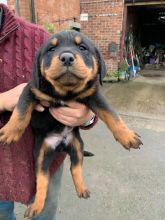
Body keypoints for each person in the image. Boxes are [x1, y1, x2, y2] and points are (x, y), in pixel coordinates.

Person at [0, 3, 97, 220]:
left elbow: (86, 89)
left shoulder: (42, 40)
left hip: (48, 154)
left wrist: (87, 116)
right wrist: (3, 100)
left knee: (44, 213)